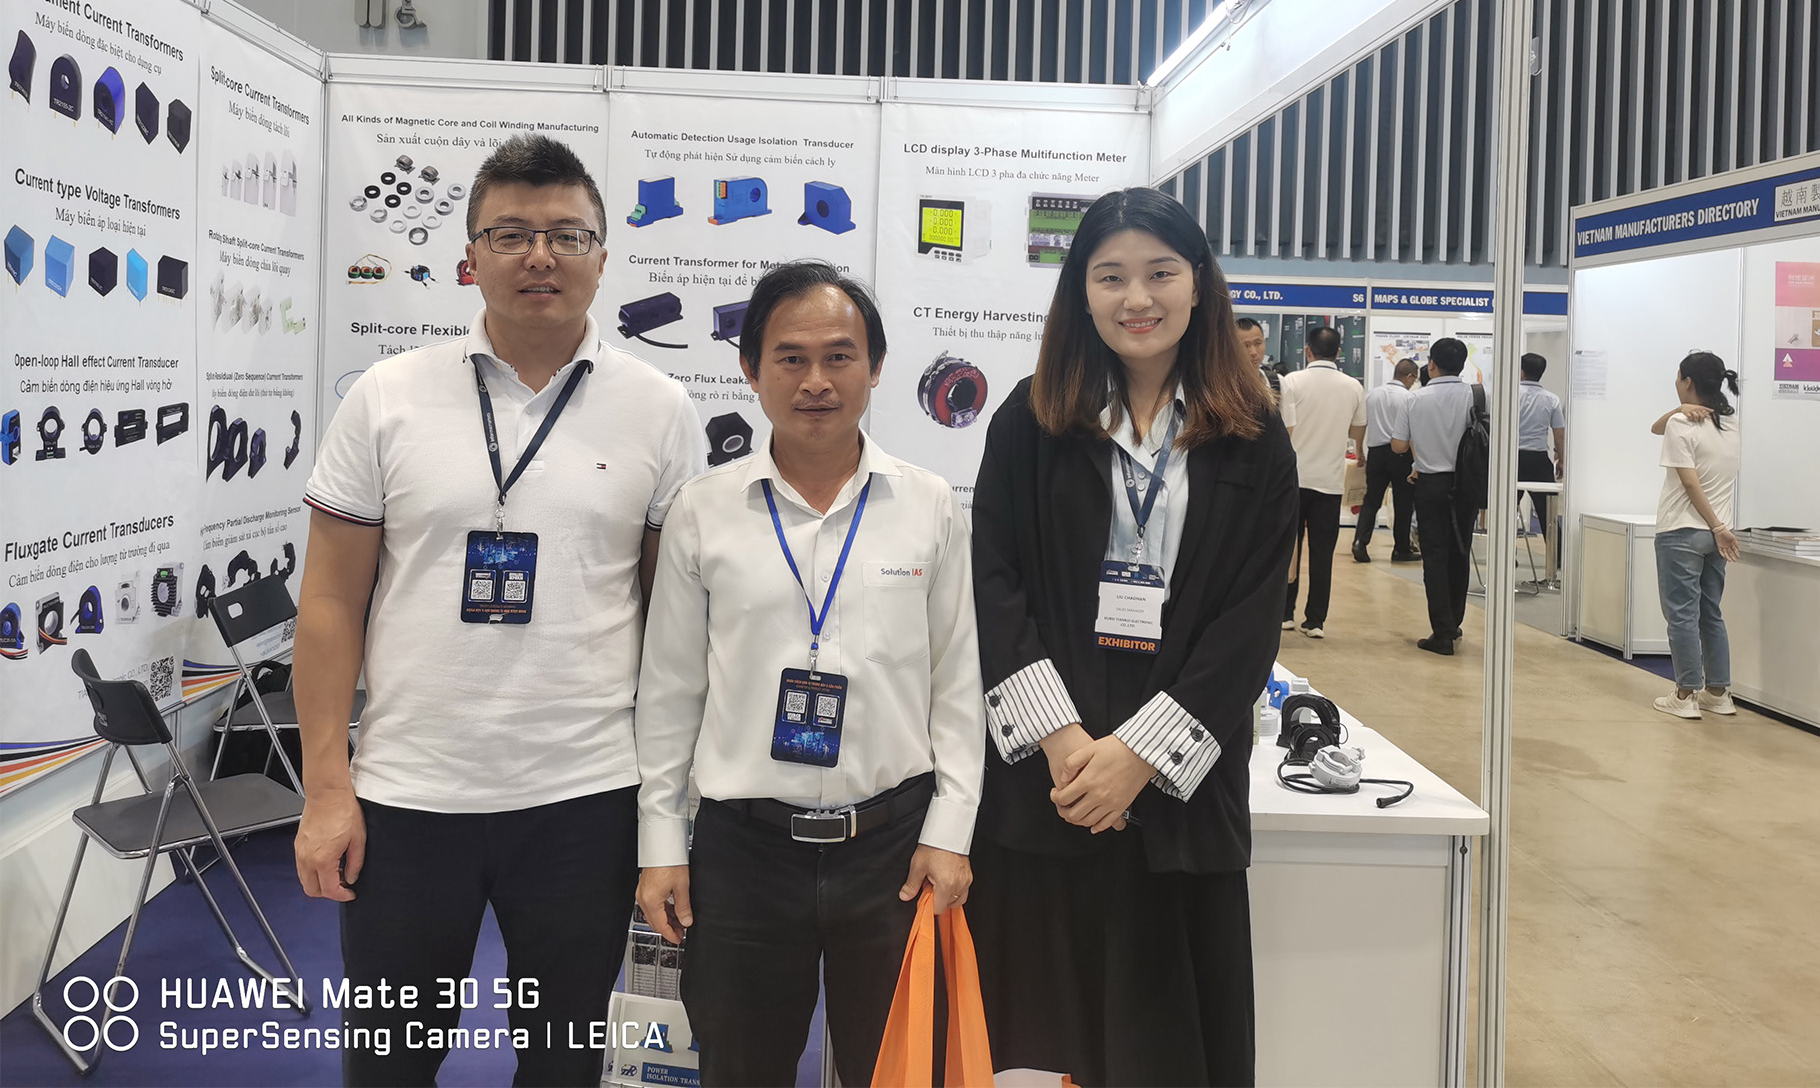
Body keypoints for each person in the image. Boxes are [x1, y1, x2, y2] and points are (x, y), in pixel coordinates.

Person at [293, 135, 704, 1087]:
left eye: (567, 234)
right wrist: (325, 788)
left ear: (603, 254)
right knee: (389, 1064)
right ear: (471, 255)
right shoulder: (387, 397)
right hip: (407, 796)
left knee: (561, 1066)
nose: (540, 256)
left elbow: (671, 624)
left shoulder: (660, 408)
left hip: (584, 798)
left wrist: (665, 811)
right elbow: (329, 604)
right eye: (511, 233)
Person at [967, 187, 1297, 1087]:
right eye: (1110, 276)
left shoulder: (1252, 435)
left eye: (1160, 272)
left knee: (1170, 1050)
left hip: (1179, 804)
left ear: (1199, 284)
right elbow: (993, 585)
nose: (1136, 297)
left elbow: (1250, 621)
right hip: (1052, 791)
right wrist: (1069, 745)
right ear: (1081, 292)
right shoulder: (1029, 420)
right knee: (1035, 1049)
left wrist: (1138, 758)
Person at [634, 261, 984, 1088]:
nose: (816, 381)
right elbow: (670, 691)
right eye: (790, 358)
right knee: (740, 1068)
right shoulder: (702, 510)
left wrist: (950, 830)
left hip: (893, 852)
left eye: (839, 356)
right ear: (750, 369)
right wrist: (660, 844)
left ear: (876, 366)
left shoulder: (929, 503)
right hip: (743, 856)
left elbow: (956, 682)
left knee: (896, 1073)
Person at [1649, 351, 1743, 719]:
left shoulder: (1681, 425)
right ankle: (1718, 692)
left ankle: (1685, 694)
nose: (1676, 383)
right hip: (1716, 535)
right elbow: (1656, 428)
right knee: (1710, 613)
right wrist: (1720, 528)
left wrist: (1716, 526)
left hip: (1682, 529)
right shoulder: (1731, 422)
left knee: (1681, 615)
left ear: (1687, 382)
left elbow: (1690, 483)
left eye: (1678, 378)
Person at [1392, 337, 1481, 656]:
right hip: (1467, 485)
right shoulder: (1477, 396)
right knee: (1461, 551)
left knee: (1435, 556)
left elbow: (1398, 445)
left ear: (1431, 364)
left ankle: (1442, 631)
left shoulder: (1414, 399)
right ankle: (1454, 623)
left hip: (1430, 484)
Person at [1278, 326, 1367, 637]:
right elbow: (1356, 433)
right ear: (1339, 352)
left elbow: (1283, 428)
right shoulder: (1353, 387)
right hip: (1329, 482)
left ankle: (1285, 613)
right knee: (1322, 553)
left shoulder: (1292, 381)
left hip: (1293, 479)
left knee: (1288, 550)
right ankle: (1315, 620)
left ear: (1308, 351)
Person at [1353, 358, 1421, 564]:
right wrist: (1417, 462)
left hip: (1376, 453)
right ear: (1409, 376)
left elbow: (1362, 424)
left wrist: (1359, 450)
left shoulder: (1373, 394)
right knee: (1403, 503)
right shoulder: (1409, 398)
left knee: (1371, 500)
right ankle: (1401, 549)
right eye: (1414, 379)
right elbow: (1412, 433)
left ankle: (1360, 542)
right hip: (1401, 454)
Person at [1518, 352, 1567, 539]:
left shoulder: (1510, 394)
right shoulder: (1551, 399)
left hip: (1512, 459)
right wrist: (1561, 459)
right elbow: (1559, 434)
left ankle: (1504, 552)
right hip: (1538, 460)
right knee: (1548, 513)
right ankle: (1556, 553)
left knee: (1504, 510)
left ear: (1522, 372)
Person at [1236, 314, 1281, 393]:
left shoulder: (1277, 382)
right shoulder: (1224, 386)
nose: (1253, 352)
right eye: (1246, 345)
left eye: (1258, 343)